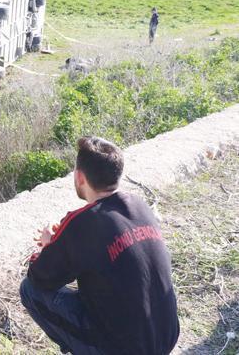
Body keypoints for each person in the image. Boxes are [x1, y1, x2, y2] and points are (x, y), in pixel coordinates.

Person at [20, 137, 179, 355]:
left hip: (124, 349)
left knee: (29, 290)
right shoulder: (140, 205)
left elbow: (39, 277)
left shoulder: (81, 222)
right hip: (165, 337)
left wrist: (50, 246)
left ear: (79, 177)